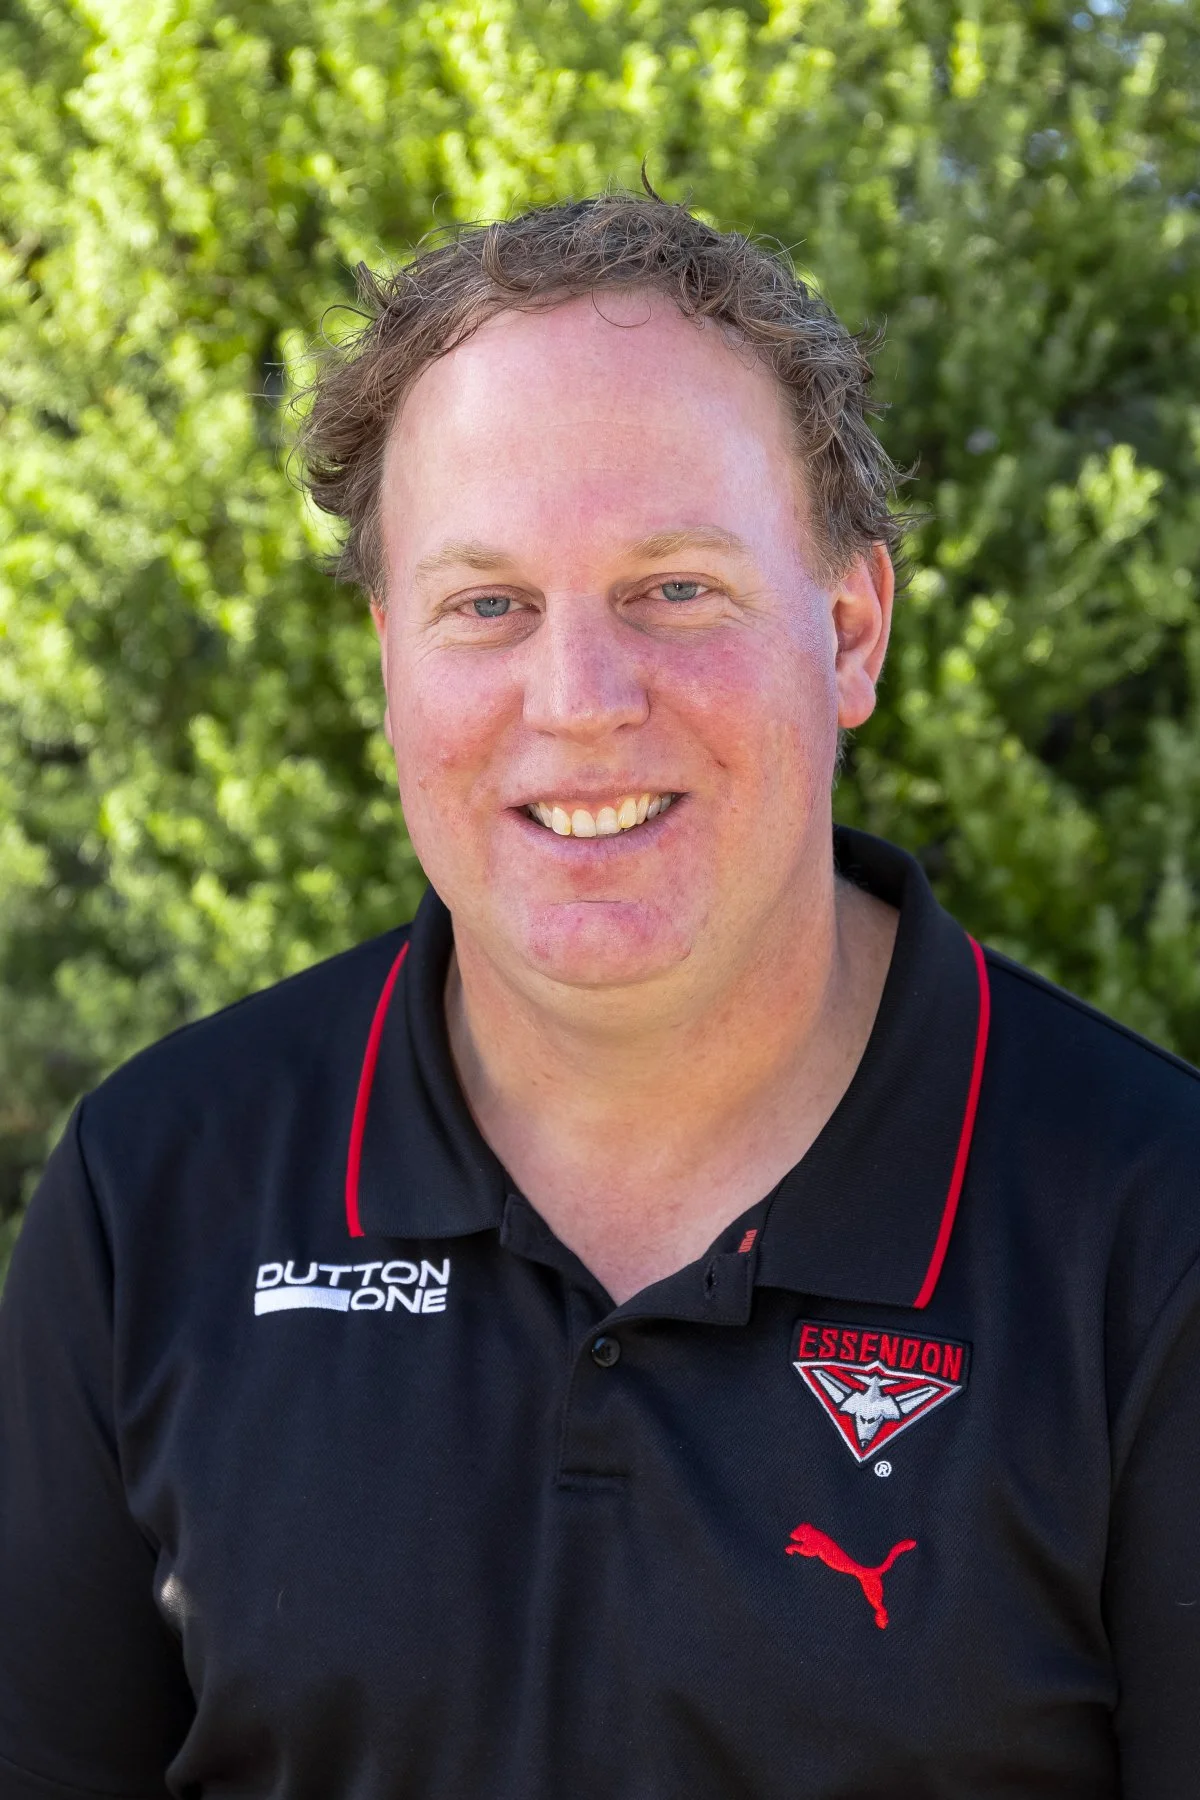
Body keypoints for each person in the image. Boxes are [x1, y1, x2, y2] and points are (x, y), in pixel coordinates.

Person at [1, 192, 1198, 1800]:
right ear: (388, 660)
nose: (579, 703)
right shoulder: (156, 1192)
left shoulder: (1155, 1231)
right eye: (487, 605)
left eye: (675, 588)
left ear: (850, 629)